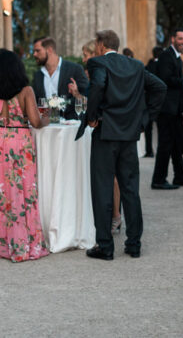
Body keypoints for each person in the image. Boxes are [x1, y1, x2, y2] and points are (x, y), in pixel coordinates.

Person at [79, 30, 166, 260]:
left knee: (102, 190)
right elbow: (160, 87)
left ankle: (105, 247)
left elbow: (97, 86)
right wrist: (144, 121)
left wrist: (92, 115)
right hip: (129, 136)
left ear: (100, 45)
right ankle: (134, 244)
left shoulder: (98, 63)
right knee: (130, 190)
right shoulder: (136, 66)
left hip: (105, 134)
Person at [0, 49, 50, 262]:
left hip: (1, 140)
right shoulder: (25, 91)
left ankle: (5, 243)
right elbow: (36, 122)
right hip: (20, 142)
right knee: (24, 192)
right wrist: (47, 116)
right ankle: (24, 243)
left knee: (3, 192)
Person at [69, 39, 123, 235]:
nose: (84, 59)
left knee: (112, 174)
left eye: (86, 55)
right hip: (101, 127)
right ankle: (107, 216)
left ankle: (116, 215)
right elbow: (92, 100)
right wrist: (78, 96)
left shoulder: (101, 70)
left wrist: (92, 116)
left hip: (107, 128)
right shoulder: (93, 72)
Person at [151, 29, 183, 190]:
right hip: (166, 109)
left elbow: (179, 89)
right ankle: (158, 180)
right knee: (165, 145)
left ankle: (180, 176)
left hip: (177, 110)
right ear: (173, 39)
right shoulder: (166, 56)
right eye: (180, 38)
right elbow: (165, 81)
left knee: (178, 145)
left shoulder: (177, 58)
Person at [32, 37, 88, 120]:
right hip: (45, 127)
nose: (34, 54)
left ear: (50, 50)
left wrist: (71, 98)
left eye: (38, 50)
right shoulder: (38, 75)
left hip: (71, 126)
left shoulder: (75, 69)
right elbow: (36, 102)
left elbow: (85, 96)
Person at [144, 46, 164, 158]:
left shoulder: (149, 65)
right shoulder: (163, 66)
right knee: (162, 128)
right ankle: (161, 150)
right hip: (161, 101)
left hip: (149, 100)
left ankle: (149, 151)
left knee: (149, 128)